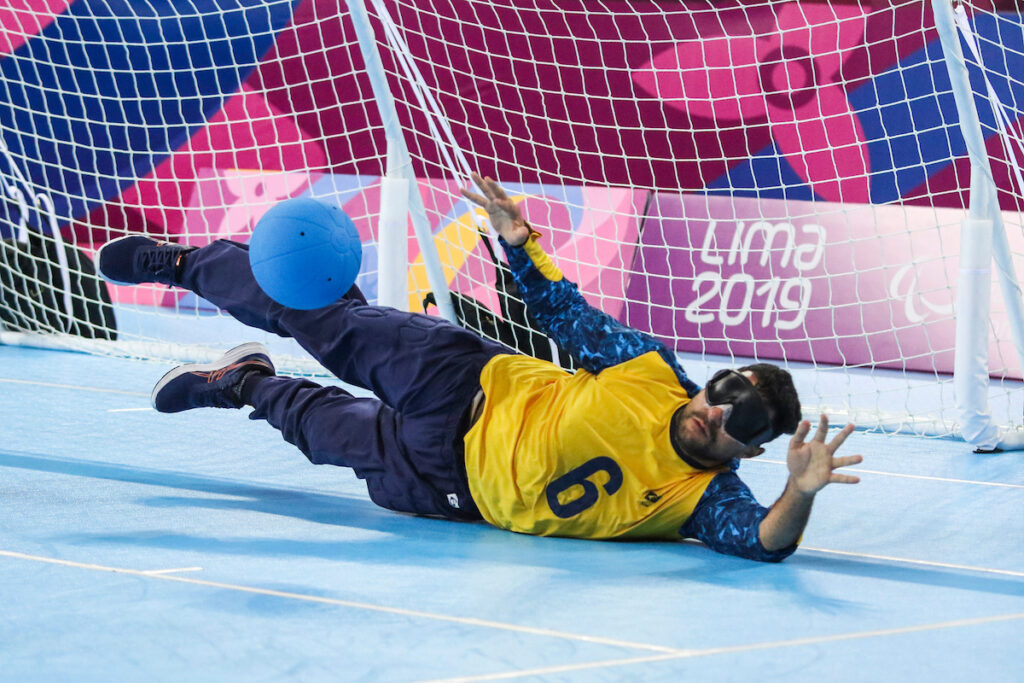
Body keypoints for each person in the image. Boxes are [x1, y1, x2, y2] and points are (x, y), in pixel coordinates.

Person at [96, 173, 862, 562]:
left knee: (317, 429)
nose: (717, 410)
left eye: (744, 420)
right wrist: (518, 241)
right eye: (725, 389)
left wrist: (799, 492)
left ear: (753, 448)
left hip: (450, 482)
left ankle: (245, 382)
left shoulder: (703, 501)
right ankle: (186, 261)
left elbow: (766, 541)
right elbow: (566, 316)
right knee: (321, 319)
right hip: (461, 377)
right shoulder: (654, 372)